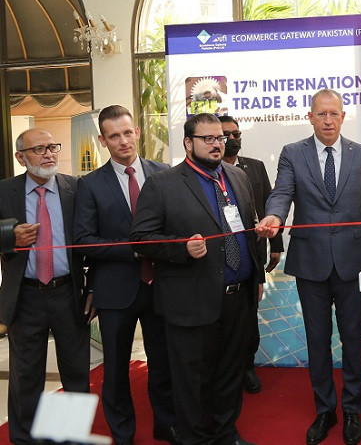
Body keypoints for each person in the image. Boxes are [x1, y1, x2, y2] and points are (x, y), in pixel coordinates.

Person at [256, 90, 361, 445]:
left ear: (343, 116)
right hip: (311, 262)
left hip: (353, 263)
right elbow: (282, 193)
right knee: (316, 339)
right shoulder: (292, 153)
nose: (328, 120)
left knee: (353, 339)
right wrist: (274, 216)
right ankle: (325, 409)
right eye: (321, 114)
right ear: (310, 117)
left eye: (334, 113)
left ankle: (353, 409)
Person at [130, 113, 260, 445]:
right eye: (208, 139)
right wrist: (181, 248)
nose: (218, 144)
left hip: (237, 297)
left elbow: (244, 230)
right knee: (194, 381)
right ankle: (198, 439)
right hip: (191, 300)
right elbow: (140, 238)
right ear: (189, 143)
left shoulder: (237, 177)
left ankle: (226, 433)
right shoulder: (163, 184)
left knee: (230, 374)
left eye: (221, 138)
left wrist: (257, 274)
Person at [73, 105, 178, 445]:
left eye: (127, 132)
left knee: (163, 362)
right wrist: (134, 249)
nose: (123, 141)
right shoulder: (90, 184)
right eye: (114, 136)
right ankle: (122, 433)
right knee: (116, 370)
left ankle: (167, 424)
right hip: (116, 290)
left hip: (161, 286)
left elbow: (175, 224)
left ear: (138, 132)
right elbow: (83, 241)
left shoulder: (164, 174)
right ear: (103, 140)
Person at [0, 128, 91, 445]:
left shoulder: (76, 188)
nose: (49, 153)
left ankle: (70, 435)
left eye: (53, 147)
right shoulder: (4, 191)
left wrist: (92, 288)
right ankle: (25, 438)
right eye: (39, 149)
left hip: (69, 292)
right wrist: (10, 237)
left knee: (76, 372)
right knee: (26, 375)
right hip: (25, 296)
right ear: (20, 157)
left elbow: (91, 239)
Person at [218, 115, 284, 394]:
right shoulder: (207, 171)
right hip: (218, 258)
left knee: (249, 316)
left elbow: (270, 205)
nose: (232, 139)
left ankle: (247, 367)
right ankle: (224, 372)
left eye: (236, 134)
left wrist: (276, 245)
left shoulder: (254, 167)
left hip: (251, 254)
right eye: (226, 134)